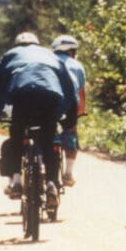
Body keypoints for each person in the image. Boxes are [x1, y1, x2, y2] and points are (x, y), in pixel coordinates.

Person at [0, 32, 79, 208]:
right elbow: (69, 88)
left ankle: (16, 181)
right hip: (49, 97)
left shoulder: (10, 55)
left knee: (16, 137)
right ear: (37, 43)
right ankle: (52, 183)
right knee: (49, 143)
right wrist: (66, 117)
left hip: (21, 97)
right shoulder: (49, 54)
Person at [51, 35, 86, 186]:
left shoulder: (47, 61)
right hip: (69, 105)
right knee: (71, 132)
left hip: (49, 102)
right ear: (72, 51)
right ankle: (68, 174)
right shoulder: (77, 65)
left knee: (46, 132)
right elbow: (81, 93)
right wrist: (80, 111)